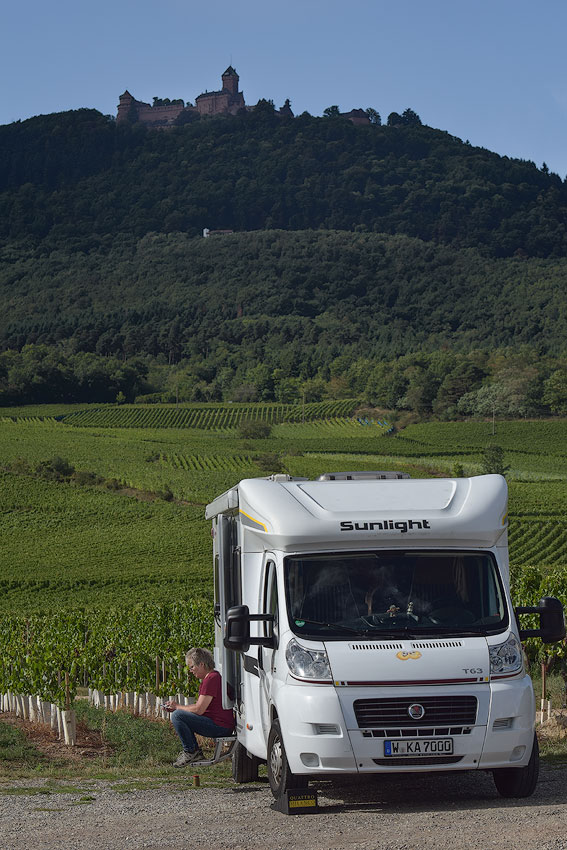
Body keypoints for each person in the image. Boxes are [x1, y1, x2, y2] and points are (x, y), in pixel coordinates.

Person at [164, 647, 235, 767]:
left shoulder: (212, 679)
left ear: (201, 664)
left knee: (178, 716)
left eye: (192, 667)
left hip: (220, 726)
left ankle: (191, 752)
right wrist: (178, 707)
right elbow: (199, 707)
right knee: (179, 714)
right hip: (220, 724)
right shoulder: (212, 677)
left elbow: (199, 709)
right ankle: (192, 751)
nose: (191, 670)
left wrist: (177, 707)